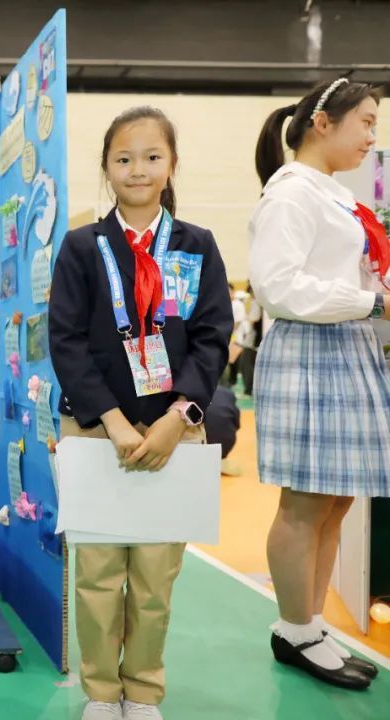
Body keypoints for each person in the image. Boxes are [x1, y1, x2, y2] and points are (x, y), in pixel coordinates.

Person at [49, 106, 232, 720]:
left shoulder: (197, 246)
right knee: (98, 576)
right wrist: (113, 420)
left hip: (175, 432)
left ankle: (144, 692)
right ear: (106, 167)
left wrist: (179, 417)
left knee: (156, 579)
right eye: (123, 158)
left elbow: (212, 338)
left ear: (172, 164)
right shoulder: (82, 247)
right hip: (96, 431)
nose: (138, 169)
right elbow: (66, 341)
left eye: (152, 157)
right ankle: (102, 693)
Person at [249, 78, 386, 690]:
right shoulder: (291, 194)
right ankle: (293, 630)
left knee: (336, 500)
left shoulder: (332, 194)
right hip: (311, 349)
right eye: (366, 121)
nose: (372, 137)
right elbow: (277, 287)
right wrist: (372, 302)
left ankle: (311, 623)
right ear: (322, 123)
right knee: (305, 503)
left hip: (345, 346)